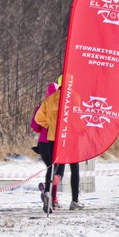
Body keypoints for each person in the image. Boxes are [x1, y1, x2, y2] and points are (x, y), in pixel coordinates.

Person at [33, 77, 83, 211]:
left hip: (53, 137)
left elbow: (38, 118)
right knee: (74, 167)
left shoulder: (50, 99)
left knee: (53, 166)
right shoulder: (75, 97)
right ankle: (74, 200)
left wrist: (49, 124)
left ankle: (47, 194)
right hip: (71, 137)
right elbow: (80, 118)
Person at [31, 78, 64, 213]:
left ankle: (52, 200)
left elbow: (35, 125)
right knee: (58, 172)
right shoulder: (63, 103)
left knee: (51, 169)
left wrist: (47, 125)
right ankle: (47, 190)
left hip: (43, 144)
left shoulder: (44, 104)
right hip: (57, 140)